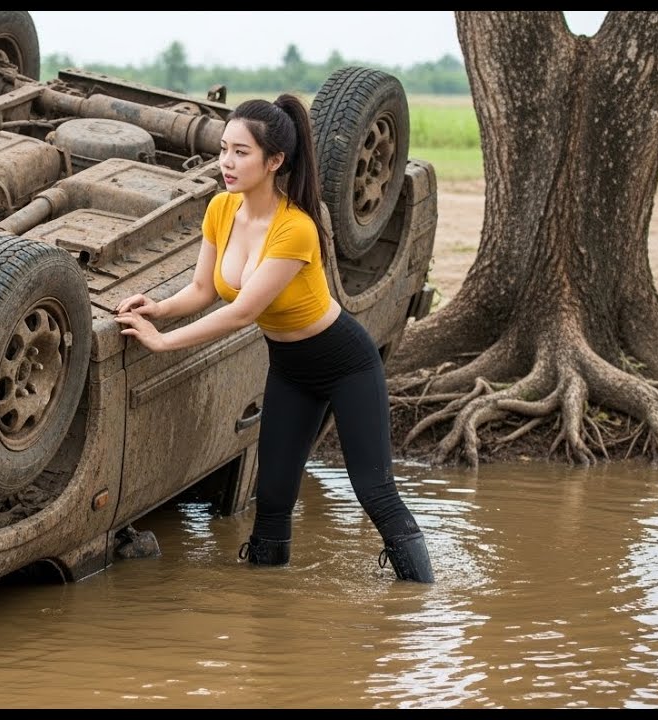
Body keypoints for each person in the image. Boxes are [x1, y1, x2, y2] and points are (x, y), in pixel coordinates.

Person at [113, 94, 434, 582]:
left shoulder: (296, 229)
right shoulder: (220, 209)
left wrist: (162, 341)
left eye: (241, 152)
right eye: (224, 149)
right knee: (275, 493)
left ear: (275, 160)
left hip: (347, 364)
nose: (226, 162)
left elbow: (243, 311)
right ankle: (266, 605)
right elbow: (202, 290)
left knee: (373, 490)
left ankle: (419, 599)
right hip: (290, 369)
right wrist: (158, 308)